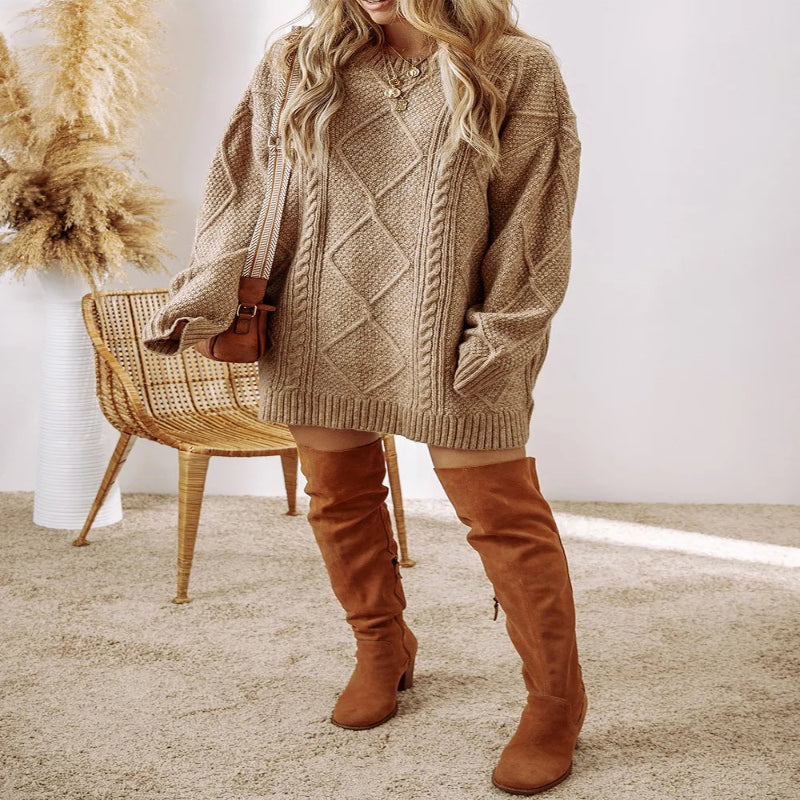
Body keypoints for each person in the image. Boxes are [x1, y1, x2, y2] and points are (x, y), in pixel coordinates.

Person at [142, 0, 586, 794]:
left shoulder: (518, 65)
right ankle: (382, 646)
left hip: (453, 327)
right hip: (319, 316)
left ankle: (555, 701)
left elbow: (536, 216)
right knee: (338, 497)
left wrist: (505, 331)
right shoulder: (300, 60)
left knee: (503, 517)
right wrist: (206, 290)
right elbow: (244, 189)